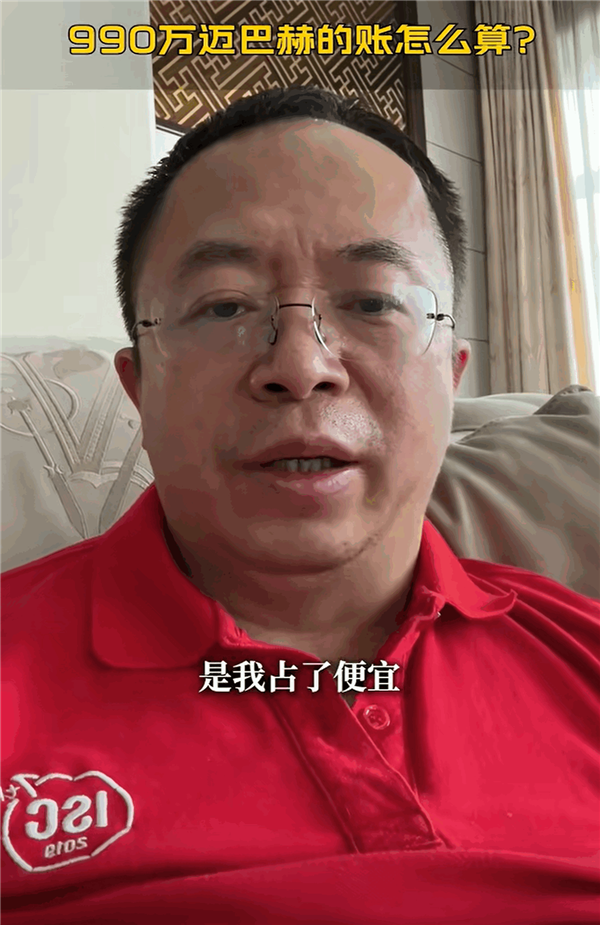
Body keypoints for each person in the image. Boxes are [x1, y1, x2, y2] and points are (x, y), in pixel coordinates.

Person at [1, 86, 598, 925]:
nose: (300, 365)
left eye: (373, 301)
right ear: (140, 389)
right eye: (224, 305)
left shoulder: (581, 655)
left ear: (452, 374)